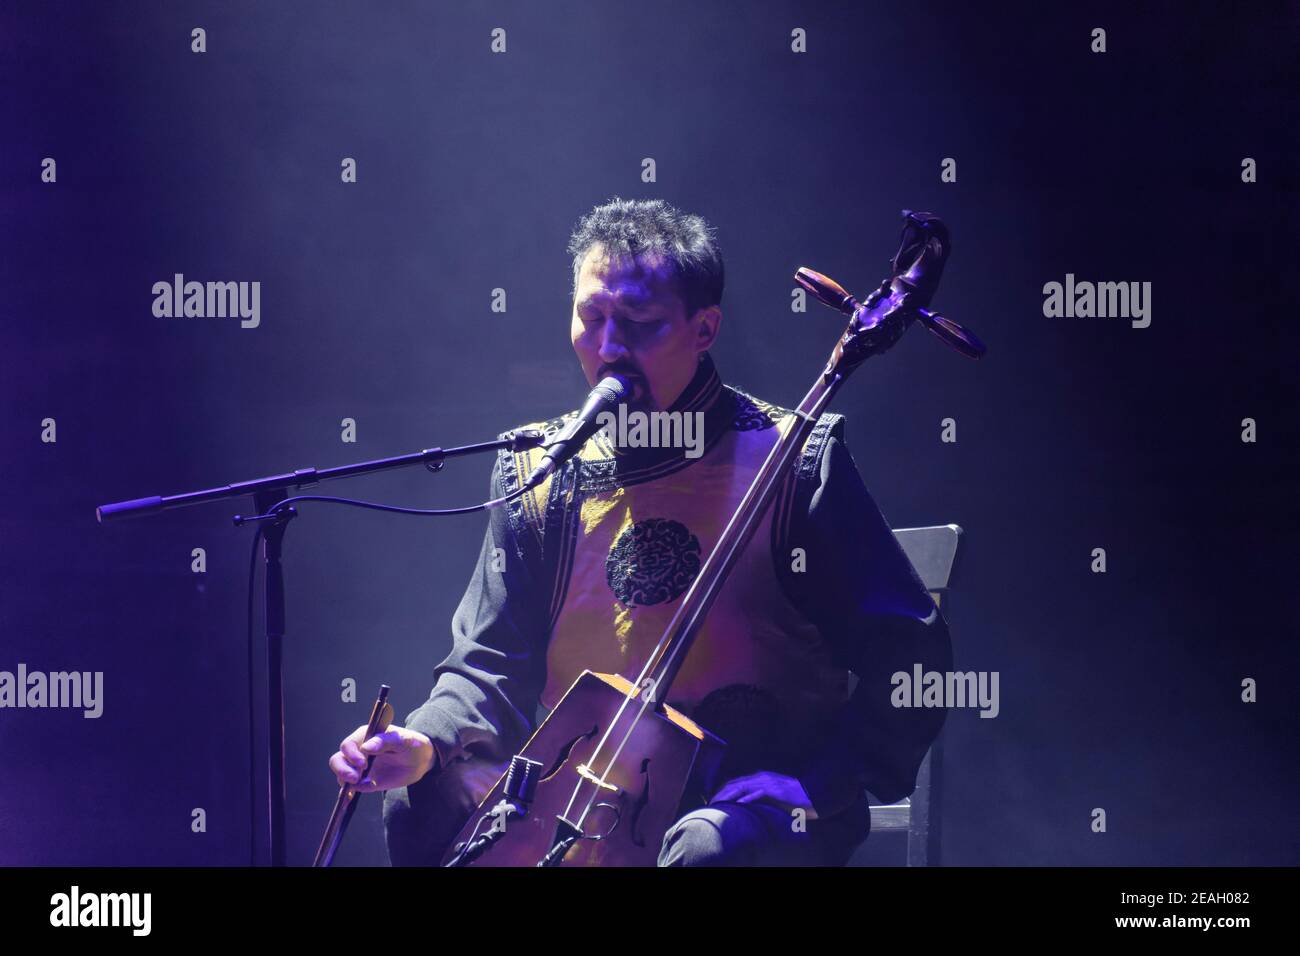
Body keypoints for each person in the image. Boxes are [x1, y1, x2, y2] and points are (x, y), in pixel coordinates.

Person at [328, 197, 952, 866]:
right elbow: (488, 664)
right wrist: (425, 741)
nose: (607, 348)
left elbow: (912, 661)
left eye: (639, 324)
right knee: (422, 793)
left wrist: (817, 786)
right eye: (590, 318)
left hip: (748, 805)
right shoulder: (541, 470)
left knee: (705, 849)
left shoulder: (793, 460)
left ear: (704, 328)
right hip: (585, 797)